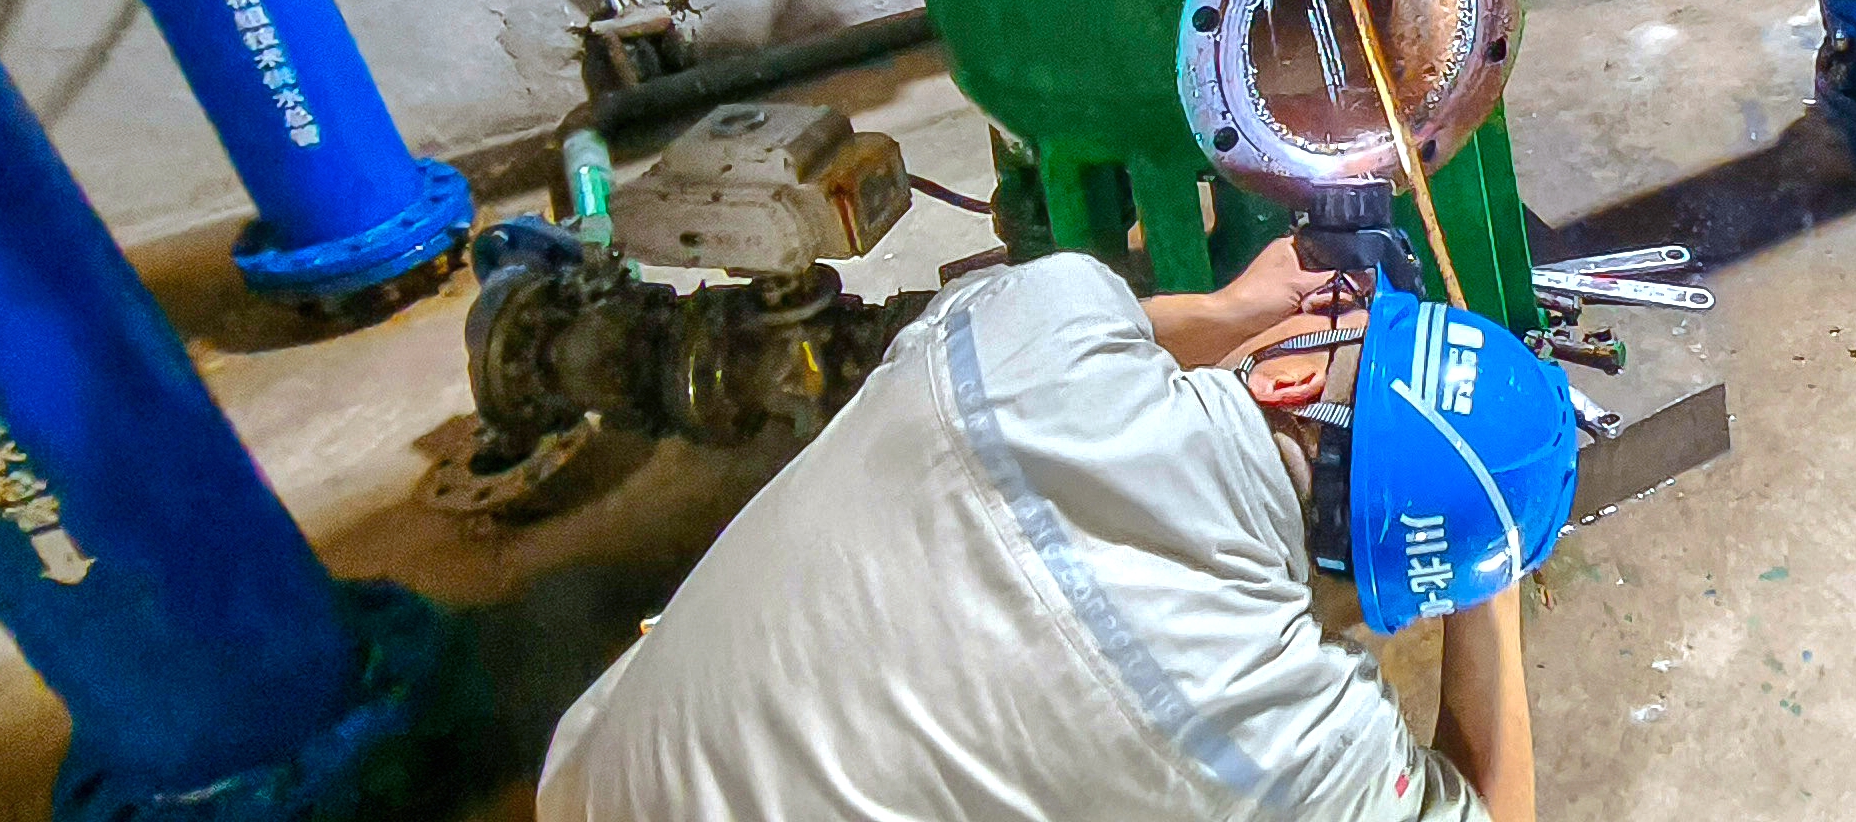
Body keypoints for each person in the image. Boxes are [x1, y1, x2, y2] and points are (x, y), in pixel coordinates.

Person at [538, 238, 1578, 822]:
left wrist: (1227, 308)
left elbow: (1112, 328)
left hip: (590, 780)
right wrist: (1484, 576)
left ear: (1294, 378)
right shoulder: (1289, 743)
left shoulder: (1032, 323)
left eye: (1335, 323)